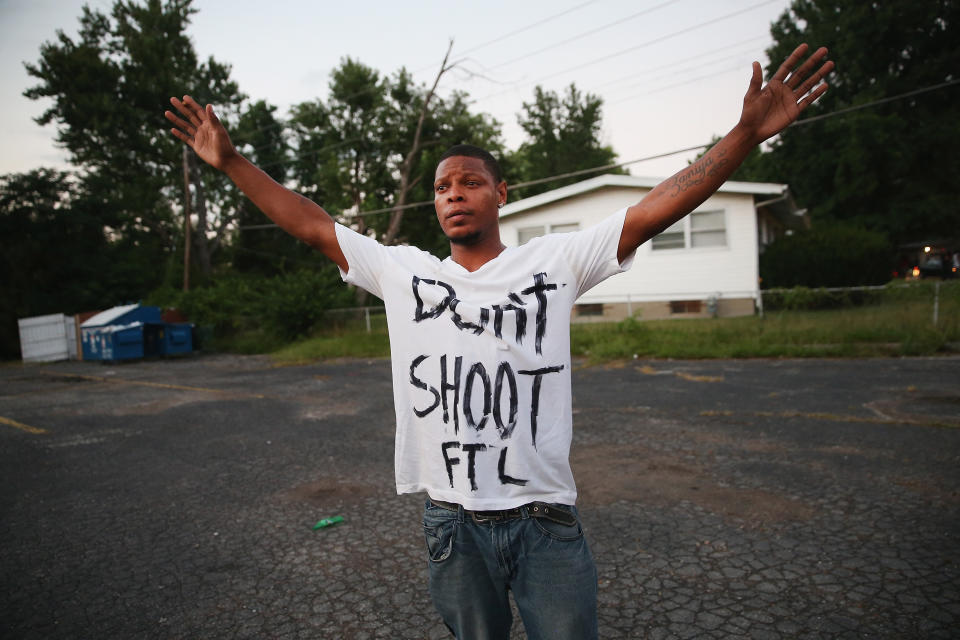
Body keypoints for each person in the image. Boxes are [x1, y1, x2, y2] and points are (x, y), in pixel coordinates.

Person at [165, 43, 833, 639]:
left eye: (471, 182)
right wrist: (230, 162)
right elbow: (309, 223)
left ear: (499, 194)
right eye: (442, 187)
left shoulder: (555, 262)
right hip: (452, 523)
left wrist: (745, 134)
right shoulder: (405, 272)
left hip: (543, 520)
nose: (454, 195)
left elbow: (659, 205)